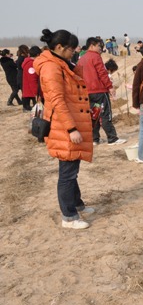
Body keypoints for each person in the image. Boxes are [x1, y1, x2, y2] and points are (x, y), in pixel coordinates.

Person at [33, 29, 95, 230]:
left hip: (70, 122)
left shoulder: (61, 63)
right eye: (71, 49)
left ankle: (77, 204)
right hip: (64, 127)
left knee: (72, 169)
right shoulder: (51, 67)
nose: (74, 52)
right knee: (67, 173)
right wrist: (71, 129)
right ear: (59, 47)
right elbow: (57, 100)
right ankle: (69, 216)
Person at [76, 37, 126, 146]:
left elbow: (78, 76)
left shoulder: (81, 59)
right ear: (92, 46)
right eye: (99, 46)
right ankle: (112, 138)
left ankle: (95, 139)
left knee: (94, 115)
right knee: (105, 114)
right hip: (99, 91)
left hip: (87, 92)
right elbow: (102, 73)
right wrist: (110, 87)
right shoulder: (95, 57)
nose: (101, 48)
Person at [21, 45, 42, 111]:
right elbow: (32, 80)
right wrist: (37, 93)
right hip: (32, 90)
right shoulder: (30, 64)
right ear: (38, 55)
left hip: (31, 90)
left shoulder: (30, 63)